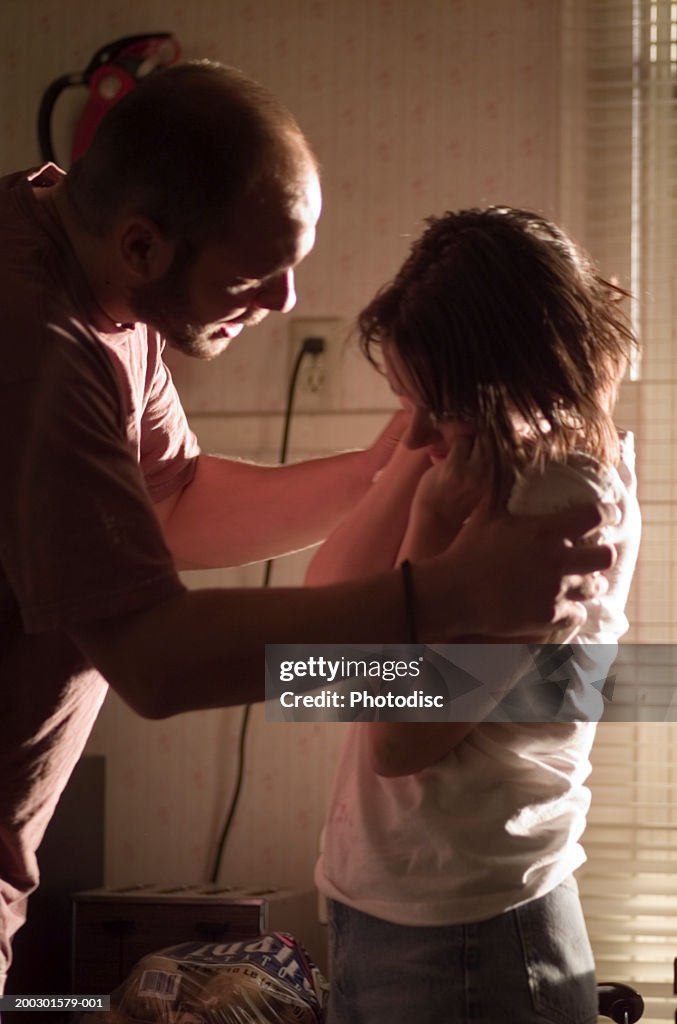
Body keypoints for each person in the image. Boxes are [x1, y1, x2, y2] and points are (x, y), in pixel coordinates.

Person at [0, 59, 615, 994]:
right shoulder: (37, 353)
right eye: (259, 272)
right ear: (141, 246)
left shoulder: (103, 287)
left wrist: (378, 476)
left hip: (469, 917)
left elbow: (169, 501)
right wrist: (447, 594)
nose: (287, 302)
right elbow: (159, 661)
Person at [309, 207, 641, 1023]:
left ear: (513, 378)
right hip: (398, 902)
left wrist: (424, 520)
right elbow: (322, 610)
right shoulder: (484, 462)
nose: (414, 428)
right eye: (404, 396)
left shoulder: (552, 499)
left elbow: (398, 735)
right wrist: (413, 453)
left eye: (438, 404)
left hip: (464, 926)